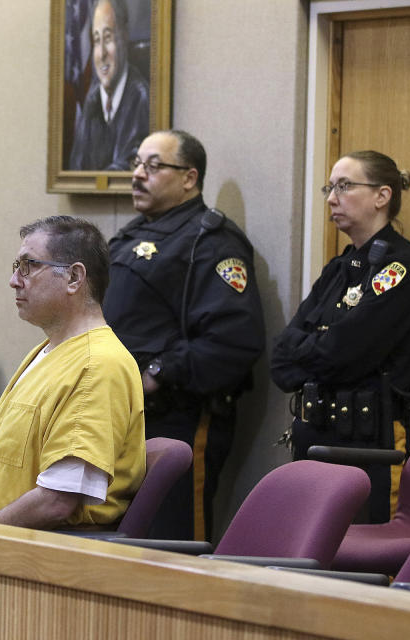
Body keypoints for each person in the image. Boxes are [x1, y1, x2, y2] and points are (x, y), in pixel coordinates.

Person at [101, 130, 265, 541]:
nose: (138, 174)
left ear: (189, 178)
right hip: (121, 416)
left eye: (153, 165)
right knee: (121, 541)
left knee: (171, 541)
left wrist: (156, 373)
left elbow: (233, 340)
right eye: (136, 163)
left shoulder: (210, 242)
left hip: (176, 418)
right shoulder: (129, 237)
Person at [271, 150, 410, 523]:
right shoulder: (341, 268)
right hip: (317, 433)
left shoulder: (401, 268)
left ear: (382, 195)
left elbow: (341, 353)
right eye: (330, 187)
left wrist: (314, 348)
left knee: (360, 561)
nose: (331, 197)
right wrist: (318, 347)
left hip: (368, 442)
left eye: (344, 186)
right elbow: (281, 360)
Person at [0, 216, 146, 528]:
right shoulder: (47, 352)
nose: (14, 280)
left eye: (28, 266)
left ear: (74, 277)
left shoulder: (97, 364)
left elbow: (56, 501)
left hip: (37, 554)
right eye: (15, 266)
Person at [69, 0, 152, 171]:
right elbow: (76, 168)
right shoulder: (92, 100)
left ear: (124, 35)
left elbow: (126, 171)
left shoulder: (140, 97)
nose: (102, 54)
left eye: (108, 38)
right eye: (96, 40)